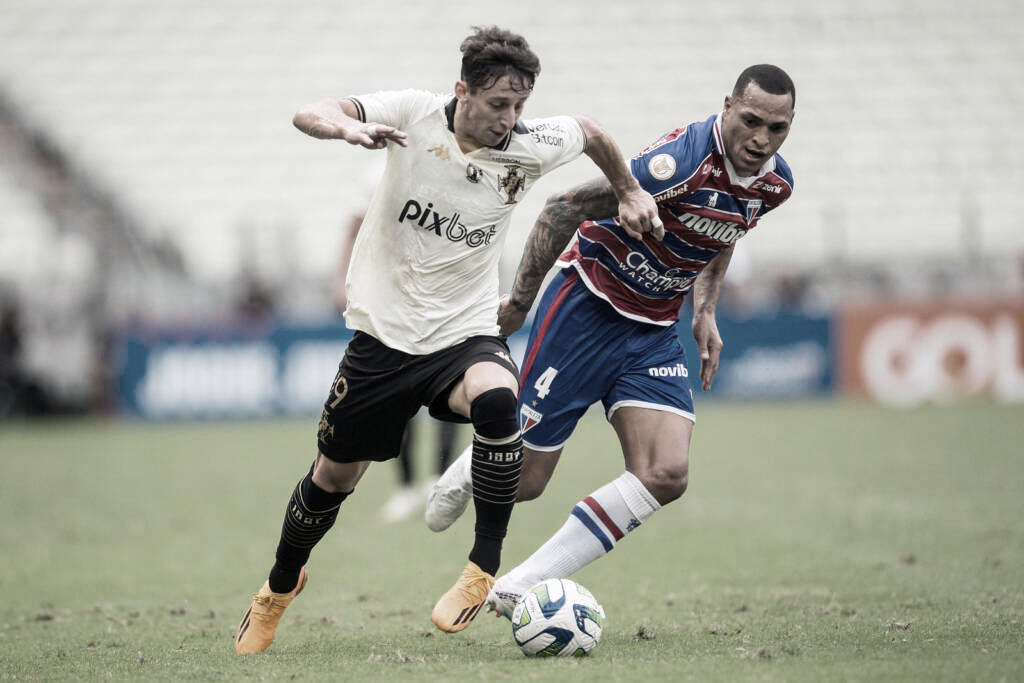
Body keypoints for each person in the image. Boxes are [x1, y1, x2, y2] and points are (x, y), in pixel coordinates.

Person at [234, 25, 661, 654]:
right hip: (383, 338)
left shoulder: (528, 143)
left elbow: (591, 130)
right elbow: (311, 111)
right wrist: (345, 129)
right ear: (462, 90)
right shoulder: (411, 114)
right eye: (498, 105)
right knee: (332, 479)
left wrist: (627, 188)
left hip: (463, 333)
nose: (510, 119)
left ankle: (481, 568)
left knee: (497, 402)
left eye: (519, 106)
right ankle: (276, 588)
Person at [425, 64, 796, 620]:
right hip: (586, 309)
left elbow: (725, 230)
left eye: (777, 128)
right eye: (751, 121)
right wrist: (520, 304)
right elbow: (561, 208)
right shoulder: (678, 164)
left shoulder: (775, 183)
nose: (761, 140)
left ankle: (516, 586)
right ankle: (473, 464)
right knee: (524, 482)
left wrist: (706, 310)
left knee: (666, 474)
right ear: (726, 106)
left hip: (652, 331)